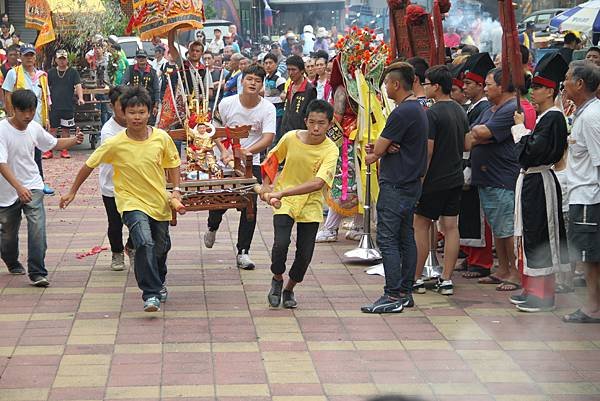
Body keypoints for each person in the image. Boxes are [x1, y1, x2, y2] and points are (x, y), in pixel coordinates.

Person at [60, 87, 182, 312]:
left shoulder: (161, 138)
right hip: (130, 202)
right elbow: (89, 165)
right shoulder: (115, 142)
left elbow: (173, 163)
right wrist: (72, 191)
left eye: (141, 112)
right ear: (123, 114)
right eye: (132, 112)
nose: (137, 117)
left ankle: (159, 279)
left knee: (161, 246)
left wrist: (175, 190)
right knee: (143, 242)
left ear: (150, 113)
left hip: (158, 201)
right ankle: (151, 293)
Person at [361, 62, 428, 313]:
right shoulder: (417, 109)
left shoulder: (402, 112)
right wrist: (385, 147)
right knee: (404, 237)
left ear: (397, 84)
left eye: (387, 83)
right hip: (410, 182)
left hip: (397, 183)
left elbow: (376, 151)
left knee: (388, 239)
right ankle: (405, 291)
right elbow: (385, 146)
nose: (385, 87)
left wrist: (380, 150)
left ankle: (392, 294)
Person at [0, 89, 83, 285]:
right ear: (13, 108)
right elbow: (1, 164)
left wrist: (74, 140)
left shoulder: (34, 127)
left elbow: (52, 143)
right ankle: (11, 260)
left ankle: (37, 272)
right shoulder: (2, 130)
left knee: (37, 226)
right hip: (8, 190)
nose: (27, 116)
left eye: (31, 110)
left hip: (33, 184)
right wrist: (18, 188)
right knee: (8, 234)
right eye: (23, 111)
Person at [262, 100, 339, 308]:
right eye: (312, 122)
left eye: (321, 123)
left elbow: (318, 183)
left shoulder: (331, 150)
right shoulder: (290, 138)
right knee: (281, 244)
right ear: (305, 120)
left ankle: (289, 289)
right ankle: (277, 279)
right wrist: (266, 185)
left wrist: (282, 190)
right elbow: (272, 158)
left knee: (305, 253)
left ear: (330, 124)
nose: (316, 127)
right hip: (283, 202)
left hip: (310, 202)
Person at [509, 52, 570, 312]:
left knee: (541, 236)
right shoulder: (546, 118)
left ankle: (543, 295)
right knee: (531, 234)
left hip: (541, 180)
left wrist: (521, 129)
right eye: (533, 87)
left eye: (539, 88)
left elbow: (533, 152)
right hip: (532, 181)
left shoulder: (554, 117)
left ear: (552, 91)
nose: (533, 92)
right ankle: (532, 288)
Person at [204, 65, 276, 269]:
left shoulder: (267, 108)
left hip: (250, 163)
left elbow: (268, 137)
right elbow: (213, 130)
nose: (253, 83)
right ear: (241, 81)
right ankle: (212, 225)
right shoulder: (227, 103)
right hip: (224, 160)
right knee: (221, 201)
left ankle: (243, 251)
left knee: (249, 206)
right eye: (249, 79)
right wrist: (223, 150)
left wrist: (248, 152)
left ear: (262, 85)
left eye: (257, 80)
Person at [465, 68, 524, 292]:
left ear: (502, 86)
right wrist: (480, 136)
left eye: (489, 84)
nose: (486, 88)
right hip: (488, 177)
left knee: (507, 228)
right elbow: (471, 135)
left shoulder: (510, 108)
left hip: (502, 177)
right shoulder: (492, 108)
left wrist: (481, 136)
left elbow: (481, 134)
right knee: (497, 227)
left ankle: (515, 273)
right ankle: (502, 269)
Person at [412, 65, 469, 297]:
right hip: (455, 178)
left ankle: (415, 277)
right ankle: (446, 279)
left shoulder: (432, 114)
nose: (424, 87)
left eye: (426, 83)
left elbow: (428, 151)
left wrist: (420, 180)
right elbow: (467, 144)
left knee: (421, 225)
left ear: (436, 86)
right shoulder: (459, 110)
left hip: (434, 180)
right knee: (451, 227)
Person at [562, 60, 600, 323]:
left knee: (591, 258)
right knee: (588, 257)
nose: (563, 83)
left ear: (580, 83)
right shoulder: (583, 113)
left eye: (566, 78)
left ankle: (593, 307)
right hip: (581, 195)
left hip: (589, 197)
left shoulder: (591, 117)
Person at [457, 52, 495, 280]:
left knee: (478, 217)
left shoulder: (484, 109)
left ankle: (481, 261)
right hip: (465, 163)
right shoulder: (474, 107)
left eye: (469, 83)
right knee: (467, 215)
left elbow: (475, 138)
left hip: (477, 165)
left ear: (481, 86)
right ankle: (471, 256)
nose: (464, 87)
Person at [2, 45, 54, 195]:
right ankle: (16, 183)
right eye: (26, 56)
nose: (29, 58)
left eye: (31, 55)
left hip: (36, 119)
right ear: (21, 57)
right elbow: (7, 95)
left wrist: (47, 119)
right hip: (19, 120)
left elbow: (45, 98)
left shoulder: (41, 75)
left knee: (37, 153)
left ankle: (40, 182)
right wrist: (11, 116)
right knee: (19, 154)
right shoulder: (14, 73)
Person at [97, 86, 131, 272]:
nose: (127, 111)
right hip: (112, 185)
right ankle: (117, 252)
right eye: (121, 106)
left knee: (140, 219)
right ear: (112, 106)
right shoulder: (108, 131)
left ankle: (131, 246)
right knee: (115, 222)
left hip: (135, 185)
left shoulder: (138, 122)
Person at [46, 49, 85, 159]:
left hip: (68, 105)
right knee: (52, 129)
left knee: (65, 129)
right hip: (54, 105)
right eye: (60, 59)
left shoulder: (73, 72)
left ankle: (64, 149)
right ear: (56, 60)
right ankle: (49, 150)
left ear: (67, 60)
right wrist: (46, 101)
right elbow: (46, 88)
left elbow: (78, 85)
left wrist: (80, 98)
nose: (62, 61)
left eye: (64, 59)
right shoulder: (51, 72)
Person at [280, 55, 317, 137]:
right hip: (286, 132)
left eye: (293, 70)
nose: (290, 73)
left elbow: (311, 114)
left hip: (301, 134)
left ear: (302, 71)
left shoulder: (310, 90)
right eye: (288, 70)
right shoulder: (290, 86)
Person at [122, 50, 161, 123]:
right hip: (133, 102)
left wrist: (156, 106)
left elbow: (156, 89)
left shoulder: (153, 72)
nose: (141, 59)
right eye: (139, 57)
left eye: (143, 57)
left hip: (149, 103)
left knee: (149, 124)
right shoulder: (130, 69)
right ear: (136, 58)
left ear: (147, 58)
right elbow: (123, 84)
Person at [263, 53, 286, 139]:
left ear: (276, 64)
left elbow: (284, 95)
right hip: (269, 112)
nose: (268, 65)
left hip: (278, 113)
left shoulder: (279, 79)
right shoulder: (267, 78)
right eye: (266, 63)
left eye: (270, 63)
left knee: (275, 137)